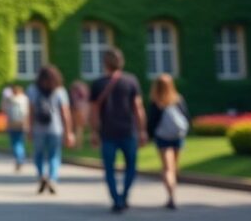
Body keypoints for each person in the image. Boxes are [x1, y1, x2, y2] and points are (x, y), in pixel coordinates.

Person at [90, 48, 147, 214]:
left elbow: (93, 111)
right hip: (128, 130)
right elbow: (138, 108)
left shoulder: (98, 83)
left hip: (108, 132)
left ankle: (117, 200)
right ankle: (124, 196)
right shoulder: (131, 81)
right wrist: (142, 130)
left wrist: (94, 131)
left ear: (105, 63)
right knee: (131, 166)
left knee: (109, 169)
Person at [26, 65, 74, 195]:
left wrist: (29, 128)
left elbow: (31, 111)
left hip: (38, 128)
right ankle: (52, 178)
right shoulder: (59, 90)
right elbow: (65, 113)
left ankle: (42, 175)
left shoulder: (33, 90)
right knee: (54, 155)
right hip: (55, 128)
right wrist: (69, 131)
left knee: (39, 155)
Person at [146, 74, 189, 210]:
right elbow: (186, 117)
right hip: (177, 136)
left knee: (167, 168)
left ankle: (171, 195)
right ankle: (173, 189)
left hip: (163, 137)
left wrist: (149, 135)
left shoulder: (156, 102)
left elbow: (152, 123)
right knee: (174, 166)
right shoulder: (178, 99)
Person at [3, 83, 29, 172]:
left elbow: (4, 109)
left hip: (12, 124)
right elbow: (27, 112)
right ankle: (20, 158)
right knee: (20, 142)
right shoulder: (25, 99)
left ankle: (18, 159)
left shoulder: (10, 100)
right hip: (22, 123)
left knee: (14, 143)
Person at [69, 79, 90, 149]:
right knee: (79, 128)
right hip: (82, 110)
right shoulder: (84, 96)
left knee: (76, 128)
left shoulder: (74, 93)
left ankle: (76, 144)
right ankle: (78, 145)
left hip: (76, 109)